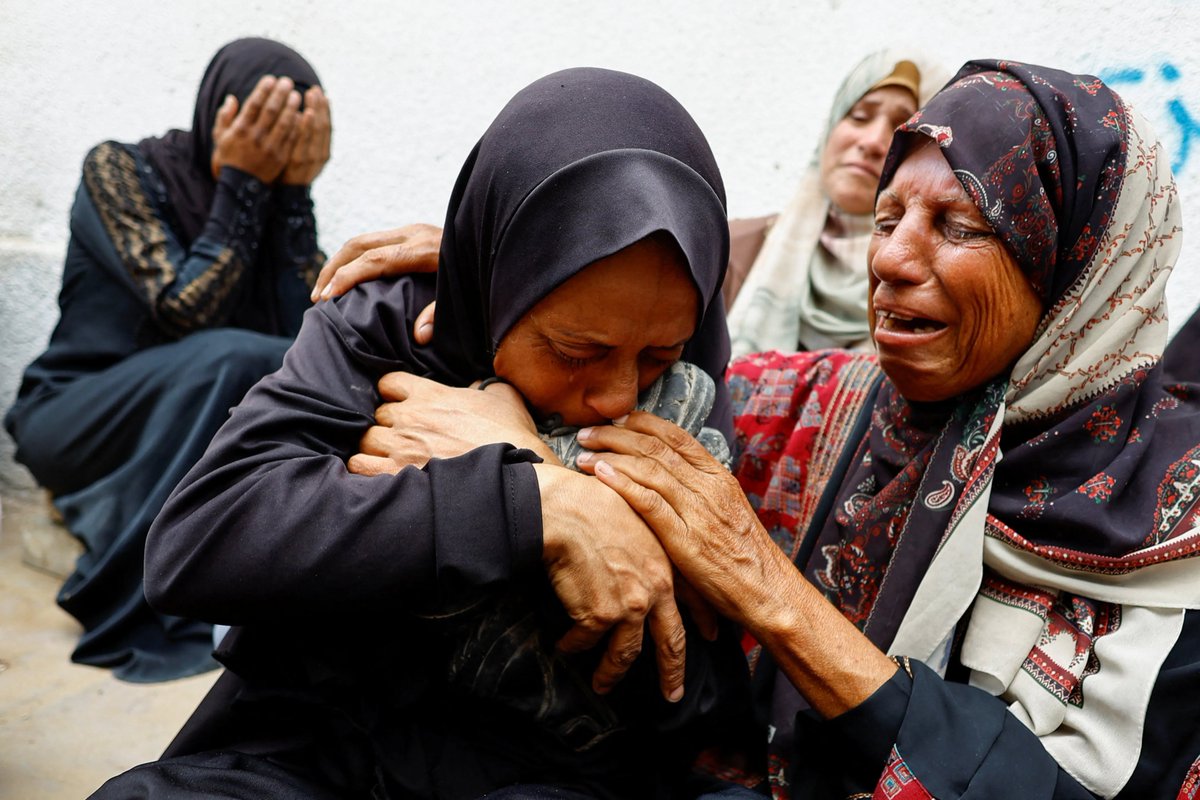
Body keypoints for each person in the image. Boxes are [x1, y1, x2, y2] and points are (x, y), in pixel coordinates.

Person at [353, 62, 1200, 797]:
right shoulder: (814, 406)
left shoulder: (1172, 536)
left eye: (960, 225)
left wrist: (777, 597)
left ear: (1081, 264)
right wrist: (513, 270)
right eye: (888, 216)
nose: (892, 259)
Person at [92, 68, 754, 799]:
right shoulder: (396, 325)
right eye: (575, 352)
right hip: (312, 749)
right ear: (497, 284)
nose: (617, 396)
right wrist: (527, 503)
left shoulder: (692, 399)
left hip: (548, 776)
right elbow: (202, 540)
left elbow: (693, 698)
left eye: (658, 357)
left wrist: (573, 494)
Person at [3, 37, 331, 682]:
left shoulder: (271, 208)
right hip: (73, 418)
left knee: (297, 367)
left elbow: (308, 336)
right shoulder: (121, 171)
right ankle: (155, 588)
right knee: (233, 355)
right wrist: (241, 183)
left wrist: (292, 199)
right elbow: (186, 311)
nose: (275, 144)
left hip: (189, 414)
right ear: (220, 113)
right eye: (261, 122)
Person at [723, 50, 945, 358]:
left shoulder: (931, 288)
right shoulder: (731, 253)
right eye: (860, 116)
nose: (872, 142)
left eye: (901, 129)